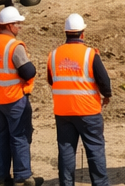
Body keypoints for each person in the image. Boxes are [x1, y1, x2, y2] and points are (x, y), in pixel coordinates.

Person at [47, 13, 112, 186]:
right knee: (95, 150)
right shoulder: (90, 54)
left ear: (66, 33)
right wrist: (107, 96)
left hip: (63, 112)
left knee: (66, 151)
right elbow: (104, 80)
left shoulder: (54, 55)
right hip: (88, 111)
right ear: (82, 33)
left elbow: (51, 80)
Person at [0, 6, 42, 186]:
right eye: (17, 24)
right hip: (14, 98)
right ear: (9, 26)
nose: (19, 27)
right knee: (19, 135)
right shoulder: (14, 46)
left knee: (0, 136)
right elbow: (28, 71)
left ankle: (0, 177)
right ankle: (23, 177)